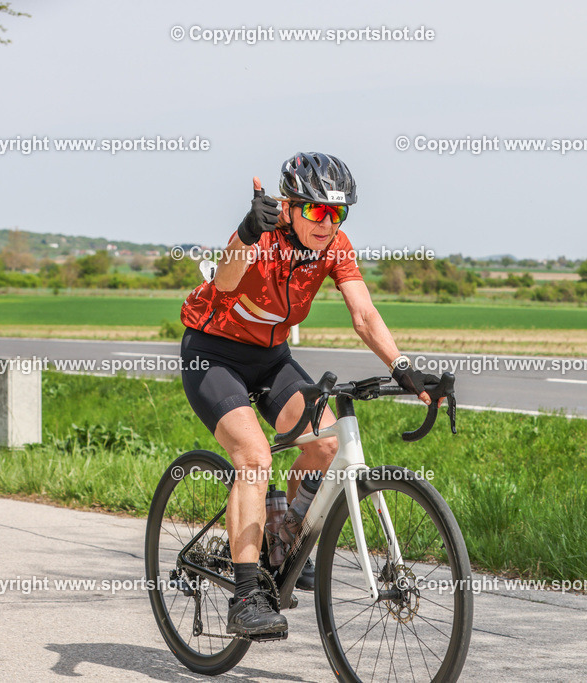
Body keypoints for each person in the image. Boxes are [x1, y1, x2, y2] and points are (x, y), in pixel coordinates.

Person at [179, 152, 436, 638]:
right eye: (317, 210)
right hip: (213, 355)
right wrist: (246, 232)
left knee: (327, 444)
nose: (327, 223)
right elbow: (226, 282)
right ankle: (245, 596)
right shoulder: (262, 235)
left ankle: (284, 539)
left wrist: (401, 366)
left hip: (271, 357)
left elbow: (364, 315)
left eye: (337, 213)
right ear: (290, 206)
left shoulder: (335, 246)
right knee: (255, 457)